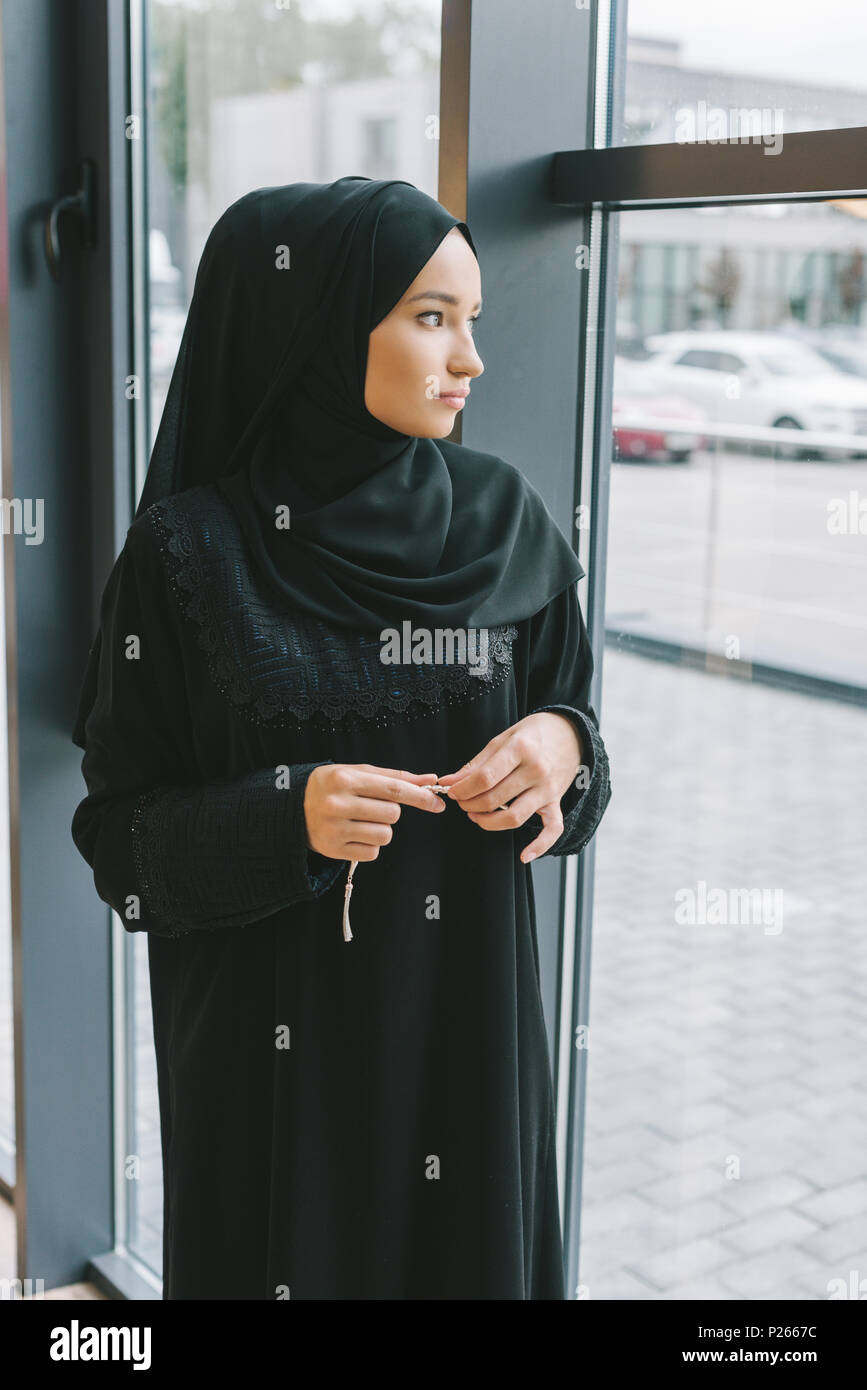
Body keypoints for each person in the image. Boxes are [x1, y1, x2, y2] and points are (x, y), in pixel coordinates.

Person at [70, 176, 612, 1300]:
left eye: (473, 321)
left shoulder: (504, 522)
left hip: (470, 1047)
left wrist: (561, 747)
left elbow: (580, 749)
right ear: (314, 322)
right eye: (430, 317)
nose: (468, 360)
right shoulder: (189, 557)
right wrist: (285, 816)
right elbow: (120, 849)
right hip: (275, 1087)